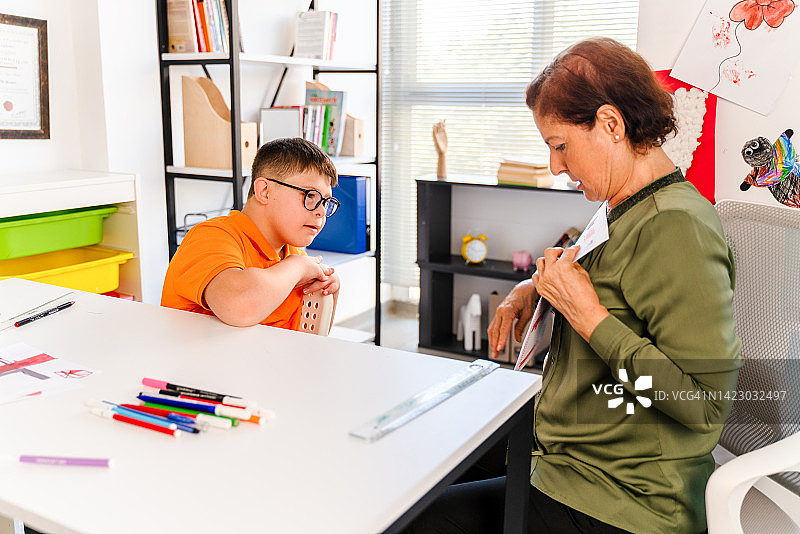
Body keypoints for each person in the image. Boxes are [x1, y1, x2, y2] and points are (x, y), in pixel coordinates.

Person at [404, 38, 741, 534]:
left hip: (620, 498)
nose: (556, 167)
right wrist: (533, 289)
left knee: (412, 518)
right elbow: (599, 272)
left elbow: (704, 405)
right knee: (427, 461)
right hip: (568, 453)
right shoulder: (622, 204)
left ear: (611, 124)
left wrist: (589, 319)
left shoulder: (675, 227)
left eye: (559, 146)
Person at [161, 137, 341, 329]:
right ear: (264, 191)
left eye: (325, 201)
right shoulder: (210, 237)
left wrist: (329, 290)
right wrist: (297, 268)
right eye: (310, 196)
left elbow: (305, 341)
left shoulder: (295, 256)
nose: (321, 210)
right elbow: (241, 307)